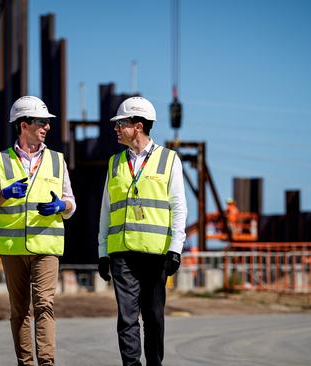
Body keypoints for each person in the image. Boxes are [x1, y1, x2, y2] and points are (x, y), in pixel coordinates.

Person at [0, 96, 76, 366]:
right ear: (24, 125)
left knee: (44, 304)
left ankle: (46, 362)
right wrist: (3, 194)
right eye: (41, 121)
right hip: (12, 249)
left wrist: (60, 206)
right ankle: (26, 363)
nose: (47, 127)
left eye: (47, 122)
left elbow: (71, 205)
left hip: (46, 247)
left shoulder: (57, 161)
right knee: (20, 310)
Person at [97, 96, 187, 366]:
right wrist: (103, 252)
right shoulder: (114, 163)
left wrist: (176, 249)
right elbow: (105, 210)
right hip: (122, 252)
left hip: (156, 252)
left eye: (120, 123)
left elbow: (179, 208)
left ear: (137, 126)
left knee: (154, 316)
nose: (115, 128)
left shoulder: (170, 160)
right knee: (126, 317)